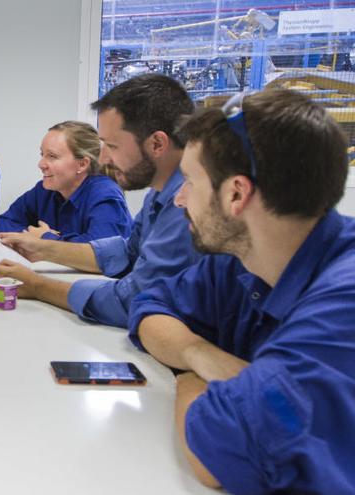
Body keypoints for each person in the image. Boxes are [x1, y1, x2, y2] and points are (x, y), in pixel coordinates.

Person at [129, 89, 354, 494]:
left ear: (235, 193)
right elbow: (152, 305)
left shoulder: (343, 303)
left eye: (190, 182)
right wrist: (200, 355)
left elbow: (223, 449)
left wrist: (186, 376)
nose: (179, 200)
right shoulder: (240, 259)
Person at [0, 74, 201, 328]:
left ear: (157, 143)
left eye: (112, 146)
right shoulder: (158, 193)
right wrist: (44, 248)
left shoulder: (187, 205)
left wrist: (37, 286)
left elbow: (135, 300)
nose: (103, 159)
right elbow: (127, 252)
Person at [0, 121, 131, 242]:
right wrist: (29, 236)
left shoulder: (104, 194)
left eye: (52, 156)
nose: (41, 164)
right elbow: (4, 223)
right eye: (43, 155)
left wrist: (45, 239)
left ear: (82, 164)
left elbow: (101, 253)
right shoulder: (44, 189)